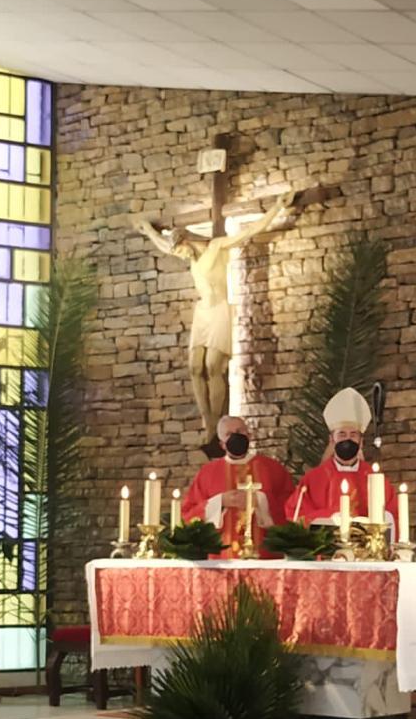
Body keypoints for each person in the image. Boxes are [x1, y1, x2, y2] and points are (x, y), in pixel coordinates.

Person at [136, 191, 297, 437]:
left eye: (181, 250)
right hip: (203, 312)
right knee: (194, 368)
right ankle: (208, 421)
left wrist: (277, 208)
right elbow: (163, 244)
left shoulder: (216, 247)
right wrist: (148, 229)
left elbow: (249, 231)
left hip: (220, 309)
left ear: (187, 240)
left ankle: (216, 420)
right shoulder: (189, 255)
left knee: (213, 366)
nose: (180, 255)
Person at [182, 415, 294, 558]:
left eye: (240, 431)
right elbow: (188, 515)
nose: (236, 436)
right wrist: (220, 501)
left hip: (265, 554)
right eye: (229, 434)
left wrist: (259, 501)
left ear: (249, 436)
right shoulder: (207, 473)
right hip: (222, 558)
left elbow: (292, 508)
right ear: (222, 444)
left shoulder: (272, 468)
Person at [286, 387, 396, 526]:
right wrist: (332, 515)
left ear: (361, 441)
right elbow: (295, 514)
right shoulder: (313, 479)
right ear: (332, 440)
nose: (347, 439)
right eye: (342, 434)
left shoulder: (376, 480)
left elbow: (393, 515)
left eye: (353, 434)